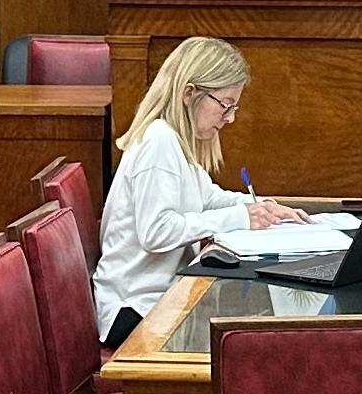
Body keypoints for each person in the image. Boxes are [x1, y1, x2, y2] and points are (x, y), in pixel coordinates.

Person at [99, 37, 296, 343]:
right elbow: (156, 231)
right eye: (225, 105)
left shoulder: (175, 139)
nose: (230, 118)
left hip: (163, 298)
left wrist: (260, 206)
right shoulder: (158, 141)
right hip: (134, 308)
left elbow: (208, 198)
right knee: (250, 341)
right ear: (189, 93)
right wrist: (241, 217)